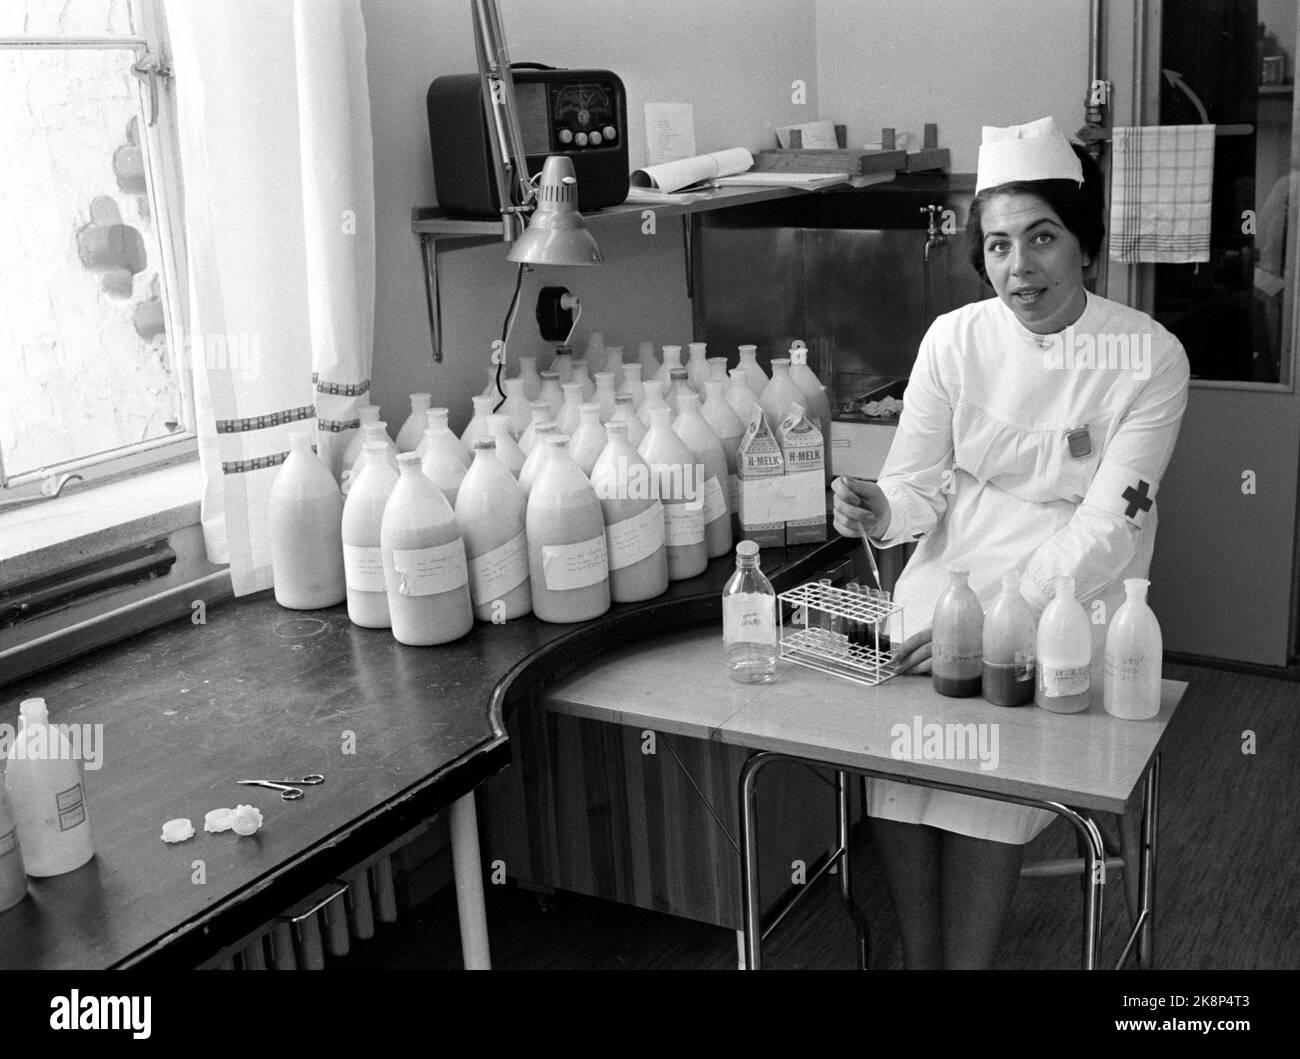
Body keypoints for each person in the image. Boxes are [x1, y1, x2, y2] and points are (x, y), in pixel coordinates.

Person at [832, 116, 1190, 969]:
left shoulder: (1147, 357)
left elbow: (1111, 524)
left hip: (1073, 590)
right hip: (954, 564)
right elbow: (917, 482)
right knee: (902, 745)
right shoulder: (955, 340)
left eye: (1041, 239)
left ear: (1085, 246)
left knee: (981, 755)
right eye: (997, 246)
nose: (1017, 268)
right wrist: (879, 509)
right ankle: (923, 958)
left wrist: (1007, 616)